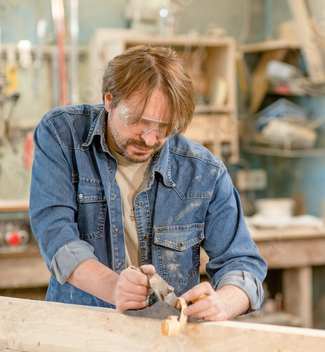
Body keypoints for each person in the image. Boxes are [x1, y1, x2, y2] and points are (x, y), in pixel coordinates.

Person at [29, 45, 267, 321]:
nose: (151, 140)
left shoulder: (204, 171)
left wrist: (225, 302)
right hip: (80, 330)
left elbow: (243, 262)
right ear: (109, 100)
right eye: (138, 123)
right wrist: (114, 287)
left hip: (164, 336)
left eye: (165, 128)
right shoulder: (62, 135)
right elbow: (57, 238)